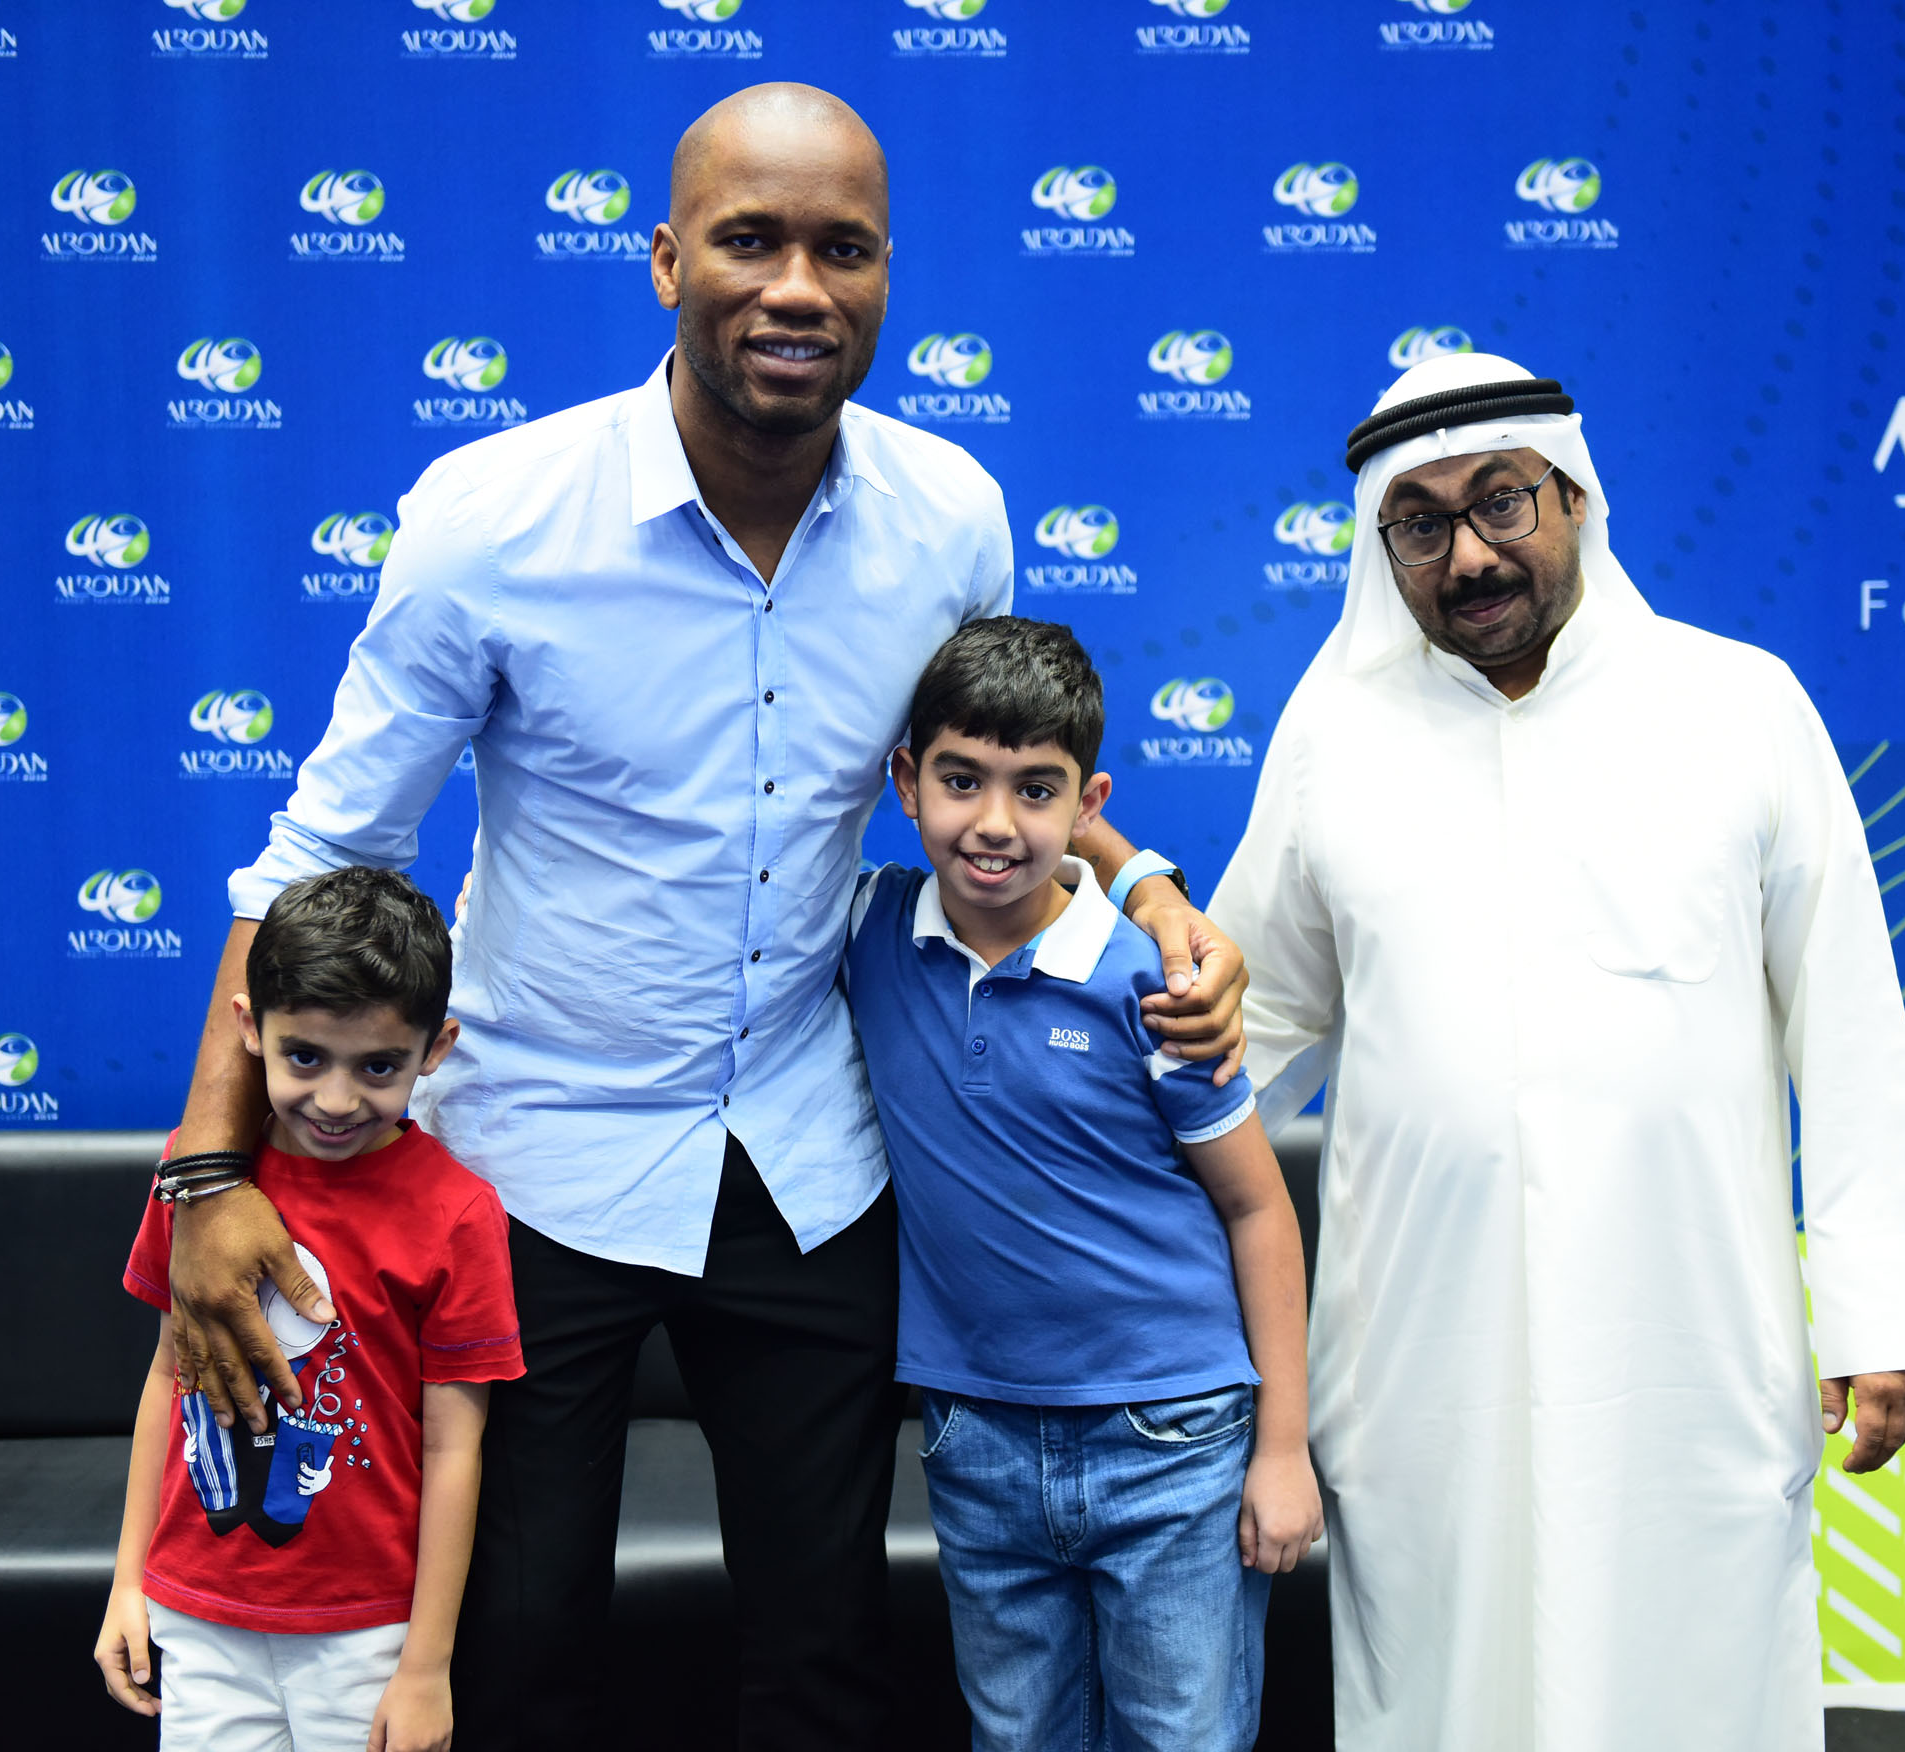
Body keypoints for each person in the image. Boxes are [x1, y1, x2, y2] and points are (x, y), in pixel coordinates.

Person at [154, 84, 1248, 1751]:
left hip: (808, 1158)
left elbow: (1000, 771)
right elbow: (319, 856)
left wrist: (1150, 886)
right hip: (531, 1164)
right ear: (667, 262)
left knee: (825, 1650)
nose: (797, 287)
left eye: (843, 249)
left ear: (886, 275)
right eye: (750, 241)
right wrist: (209, 1173)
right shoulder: (491, 520)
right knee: (519, 1647)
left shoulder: (951, 516)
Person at [1205, 352, 1905, 1752]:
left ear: (1575, 496)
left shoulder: (1739, 707)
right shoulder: (1335, 734)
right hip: (1426, 1356)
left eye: (1501, 501)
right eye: (1420, 524)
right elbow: (1254, 1019)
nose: (1468, 555)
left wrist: (1885, 1316)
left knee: (1695, 1683)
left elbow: (1847, 1016)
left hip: (1687, 1340)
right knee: (1448, 1691)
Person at [840, 618, 1320, 1749]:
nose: (995, 824)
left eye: (1036, 790)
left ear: (1087, 802)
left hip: (1174, 1444)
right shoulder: (869, 931)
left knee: (1182, 1735)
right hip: (977, 1438)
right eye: (961, 780)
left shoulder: (1155, 984)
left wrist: (1283, 1447)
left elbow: (1258, 1207)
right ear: (906, 782)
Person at [94, 866, 523, 1752]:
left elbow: (454, 1447)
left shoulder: (458, 1213)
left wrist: (426, 1666)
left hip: (367, 1630)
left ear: (435, 1048)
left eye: (378, 1066)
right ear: (250, 1026)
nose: (335, 1099)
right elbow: (168, 1377)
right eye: (305, 1058)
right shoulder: (193, 1178)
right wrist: (129, 1579)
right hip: (198, 1611)